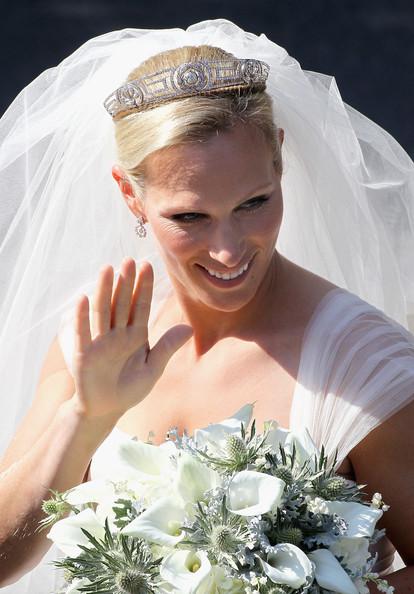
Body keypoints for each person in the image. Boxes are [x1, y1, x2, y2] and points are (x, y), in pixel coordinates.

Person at [0, 19, 413, 593]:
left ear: (279, 162)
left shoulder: (367, 367)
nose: (227, 250)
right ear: (130, 195)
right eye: (189, 217)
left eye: (254, 203)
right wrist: (85, 418)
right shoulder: (97, 342)